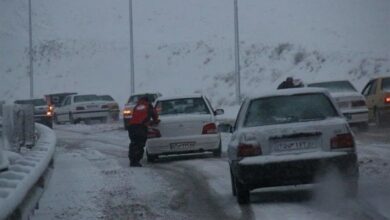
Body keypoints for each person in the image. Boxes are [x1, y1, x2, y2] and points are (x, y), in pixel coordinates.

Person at [127, 96, 159, 167]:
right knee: (140, 144)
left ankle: (132, 160)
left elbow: (136, 116)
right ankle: (135, 161)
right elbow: (155, 116)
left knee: (134, 143)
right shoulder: (149, 106)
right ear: (148, 101)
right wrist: (155, 121)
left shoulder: (136, 107)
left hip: (131, 127)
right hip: (140, 127)